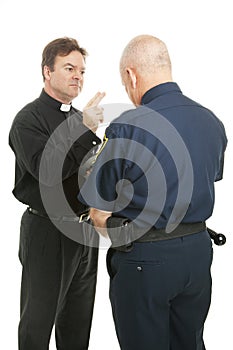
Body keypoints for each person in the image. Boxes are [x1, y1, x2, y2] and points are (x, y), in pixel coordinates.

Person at [78, 35, 228, 350]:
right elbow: (203, 179)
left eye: (125, 83)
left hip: (147, 260)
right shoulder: (212, 122)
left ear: (132, 75)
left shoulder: (128, 126)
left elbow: (98, 209)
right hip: (199, 257)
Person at [9, 37, 105, 350]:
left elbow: (84, 170)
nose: (78, 75)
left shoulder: (77, 118)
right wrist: (82, 129)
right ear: (47, 71)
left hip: (84, 231)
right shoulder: (28, 120)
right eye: (69, 68)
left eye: (81, 70)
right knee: (37, 326)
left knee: (78, 326)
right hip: (47, 231)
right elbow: (46, 169)